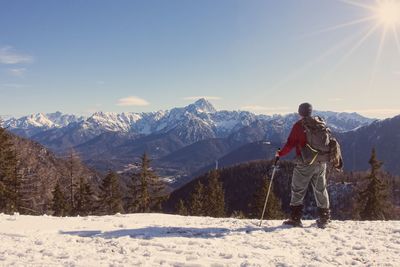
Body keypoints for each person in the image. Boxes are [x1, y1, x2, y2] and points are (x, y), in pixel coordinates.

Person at [275, 103, 331, 228]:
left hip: (306, 162)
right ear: (310, 112)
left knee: (298, 189)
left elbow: (290, 144)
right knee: (320, 189)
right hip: (321, 161)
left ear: (300, 112)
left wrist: (280, 153)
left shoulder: (299, 126)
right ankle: (325, 218)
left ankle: (295, 218)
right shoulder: (320, 123)